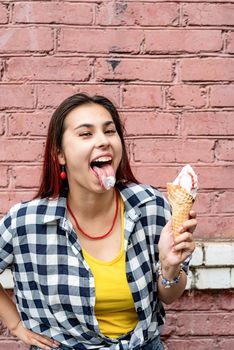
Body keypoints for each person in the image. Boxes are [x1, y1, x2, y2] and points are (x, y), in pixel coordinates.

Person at [0, 93, 196, 350]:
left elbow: (169, 296)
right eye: (86, 134)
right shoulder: (26, 222)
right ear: (59, 154)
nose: (103, 141)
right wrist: (15, 325)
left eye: (109, 131)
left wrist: (170, 267)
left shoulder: (150, 206)